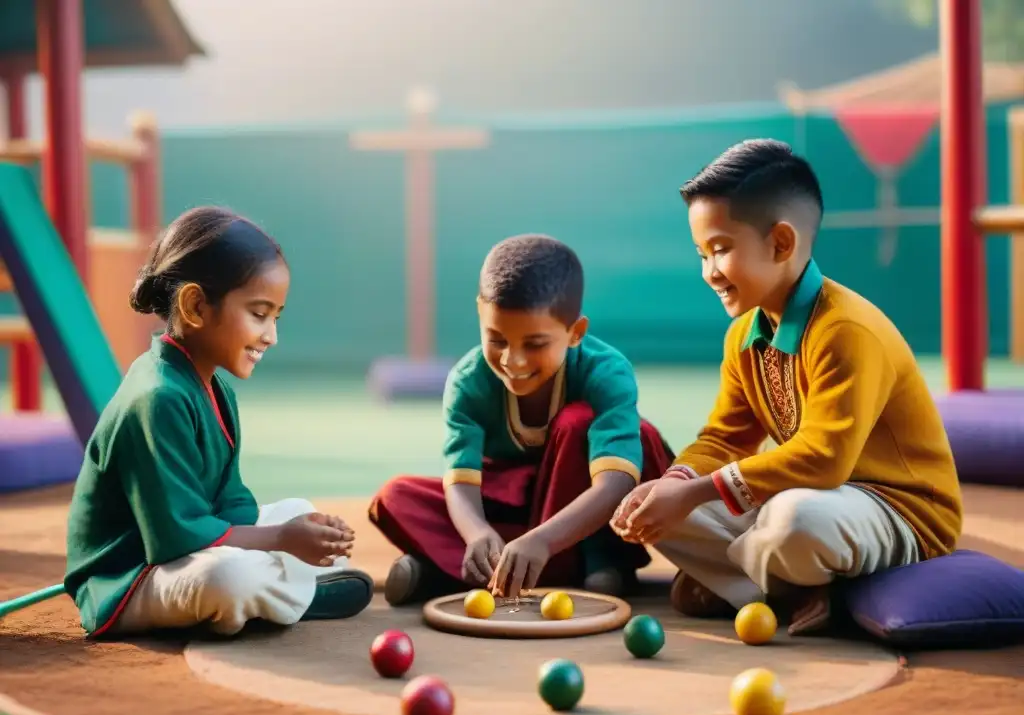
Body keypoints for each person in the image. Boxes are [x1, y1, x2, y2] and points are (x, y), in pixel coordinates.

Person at [612, 139, 963, 635]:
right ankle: (783, 585)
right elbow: (724, 438)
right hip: (814, 498)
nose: (709, 272)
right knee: (662, 509)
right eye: (701, 254)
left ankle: (750, 584)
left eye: (721, 250)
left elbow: (825, 458)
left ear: (780, 243)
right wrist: (674, 486)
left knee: (793, 520)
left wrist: (696, 493)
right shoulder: (743, 335)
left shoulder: (846, 330)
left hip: (898, 509)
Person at [63, 206, 373, 639]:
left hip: (184, 550)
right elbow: (175, 539)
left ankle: (282, 591)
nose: (271, 335)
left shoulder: (213, 386)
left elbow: (229, 504)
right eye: (259, 314)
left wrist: (292, 531)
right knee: (229, 579)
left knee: (300, 512)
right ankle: (297, 595)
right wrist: (283, 541)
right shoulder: (158, 397)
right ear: (195, 305)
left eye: (276, 318)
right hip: (131, 579)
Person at [370, 234, 674, 605]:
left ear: (575, 333)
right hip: (516, 503)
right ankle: (523, 568)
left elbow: (615, 484)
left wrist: (543, 540)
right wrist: (477, 533)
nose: (513, 361)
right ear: (480, 314)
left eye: (534, 344)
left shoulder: (606, 372)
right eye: (497, 339)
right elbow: (462, 482)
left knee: (595, 426)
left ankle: (446, 574)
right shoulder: (468, 382)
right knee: (396, 496)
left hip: (587, 520)